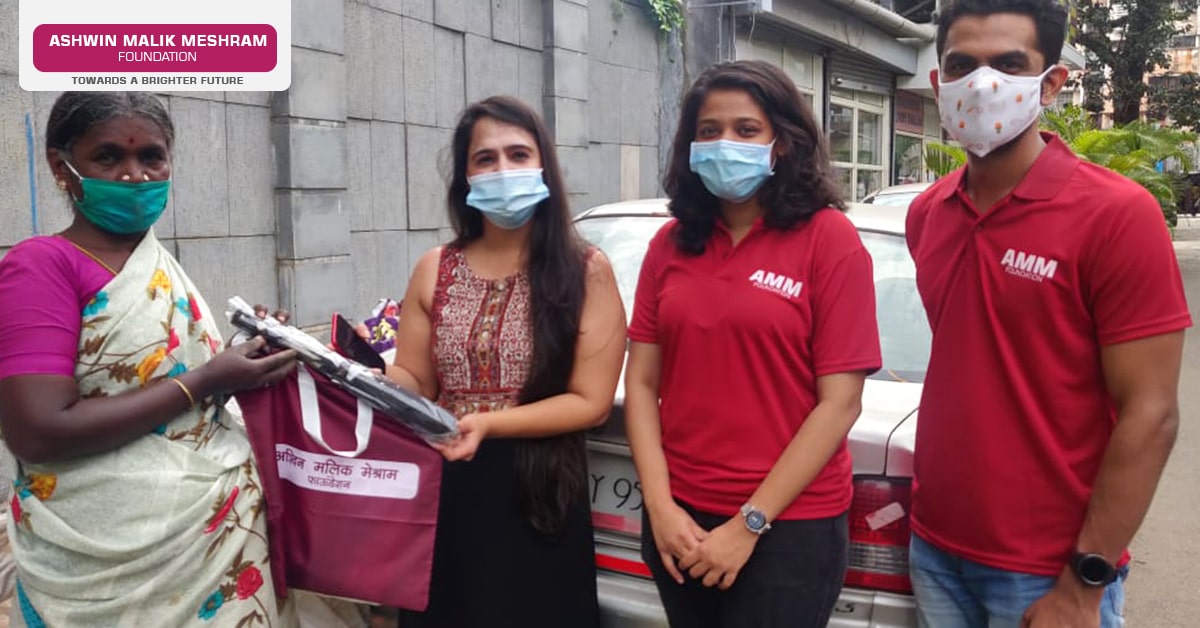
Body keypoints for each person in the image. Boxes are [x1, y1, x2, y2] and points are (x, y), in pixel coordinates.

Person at [906, 2, 1191, 626]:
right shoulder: (928, 214)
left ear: (1052, 82)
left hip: (1050, 571)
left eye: (1009, 64)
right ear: (938, 81)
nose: (982, 84)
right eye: (962, 65)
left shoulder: (1117, 216)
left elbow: (1152, 415)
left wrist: (1085, 582)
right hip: (934, 549)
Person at [0, 92, 299, 627]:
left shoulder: (155, 264)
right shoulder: (43, 266)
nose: (135, 176)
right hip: (104, 560)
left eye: (151, 157)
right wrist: (204, 381)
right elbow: (37, 431)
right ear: (61, 167)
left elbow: (171, 386)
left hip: (213, 543)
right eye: (108, 157)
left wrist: (250, 359)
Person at [624, 60, 882, 628]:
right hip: (679, 521)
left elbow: (840, 403)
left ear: (781, 142)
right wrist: (660, 505)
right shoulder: (669, 245)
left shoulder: (829, 239)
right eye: (709, 130)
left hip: (787, 528)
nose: (726, 142)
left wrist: (749, 524)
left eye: (746, 129)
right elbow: (640, 383)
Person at [388, 96, 626, 628]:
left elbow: (589, 402)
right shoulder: (434, 267)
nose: (503, 170)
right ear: (465, 177)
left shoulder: (586, 270)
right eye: (485, 158)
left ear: (544, 166)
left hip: (539, 491)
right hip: (445, 490)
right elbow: (414, 379)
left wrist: (489, 424)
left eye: (518, 155)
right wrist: (352, 374)